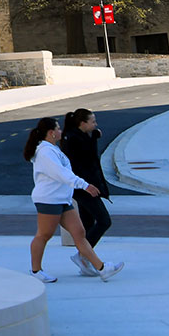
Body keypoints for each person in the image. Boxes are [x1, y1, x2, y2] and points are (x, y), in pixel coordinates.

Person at [24, 116, 121, 282]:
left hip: (62, 200)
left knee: (80, 233)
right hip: (49, 200)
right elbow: (61, 174)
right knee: (44, 235)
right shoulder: (46, 152)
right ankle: (36, 271)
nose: (61, 131)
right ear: (51, 133)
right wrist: (84, 185)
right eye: (58, 128)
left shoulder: (52, 149)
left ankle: (102, 268)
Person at [62, 108, 112, 275]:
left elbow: (90, 157)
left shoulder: (80, 136)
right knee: (104, 221)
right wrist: (88, 186)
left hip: (85, 187)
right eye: (92, 121)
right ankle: (82, 256)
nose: (95, 124)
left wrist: (94, 137)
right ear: (82, 123)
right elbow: (82, 164)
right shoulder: (74, 140)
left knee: (88, 224)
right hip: (85, 188)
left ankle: (85, 261)